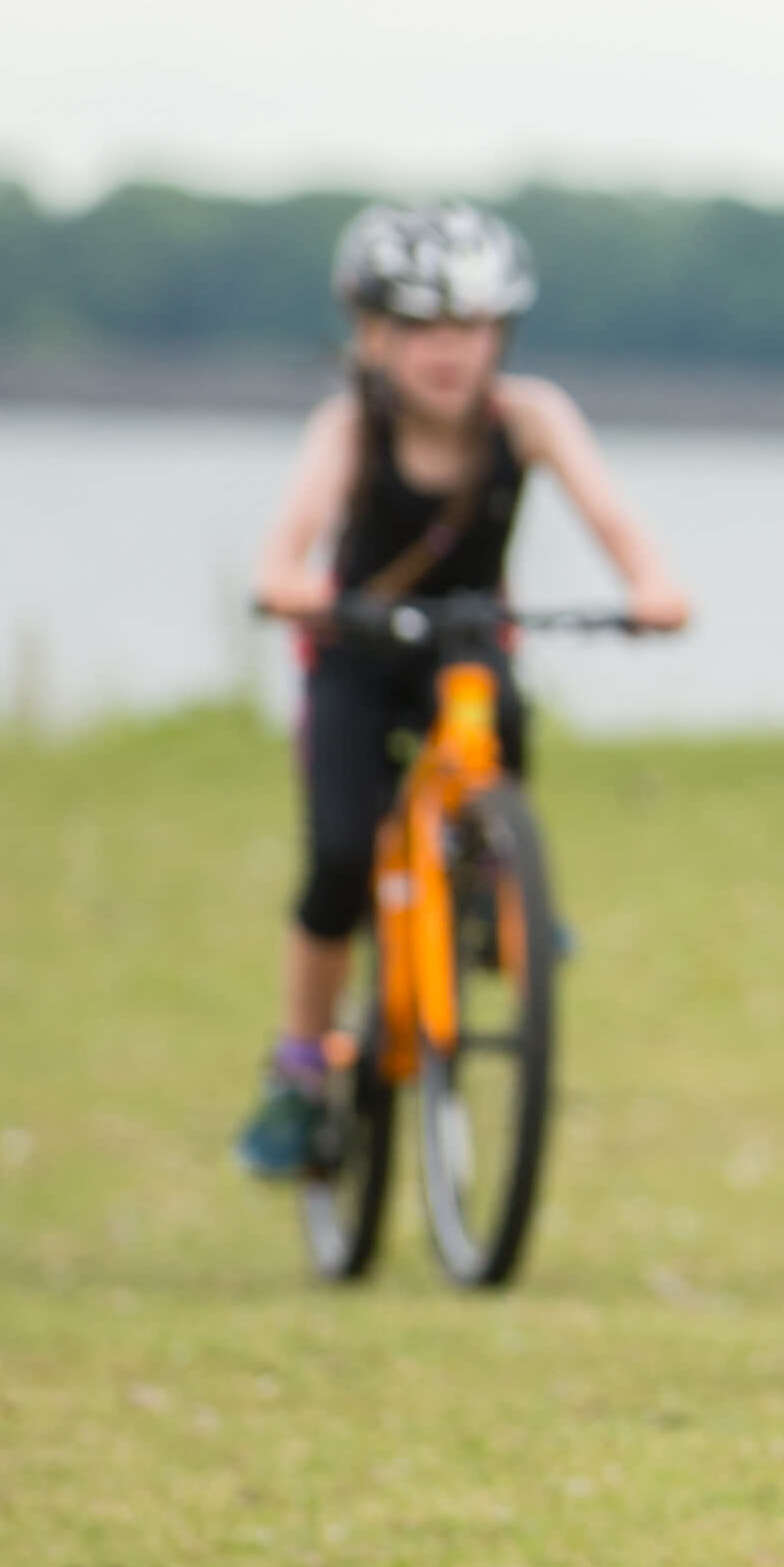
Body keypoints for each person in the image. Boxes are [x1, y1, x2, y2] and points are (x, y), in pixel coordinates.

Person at [238, 201, 692, 1180]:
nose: (448, 352)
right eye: (420, 329)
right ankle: (301, 1064)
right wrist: (300, 591)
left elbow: (612, 516)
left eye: (470, 328)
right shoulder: (348, 426)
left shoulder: (530, 418)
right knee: (339, 856)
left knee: (498, 720)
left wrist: (650, 586)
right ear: (371, 334)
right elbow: (284, 549)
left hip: (466, 644)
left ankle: (495, 876)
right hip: (357, 649)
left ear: (502, 335)